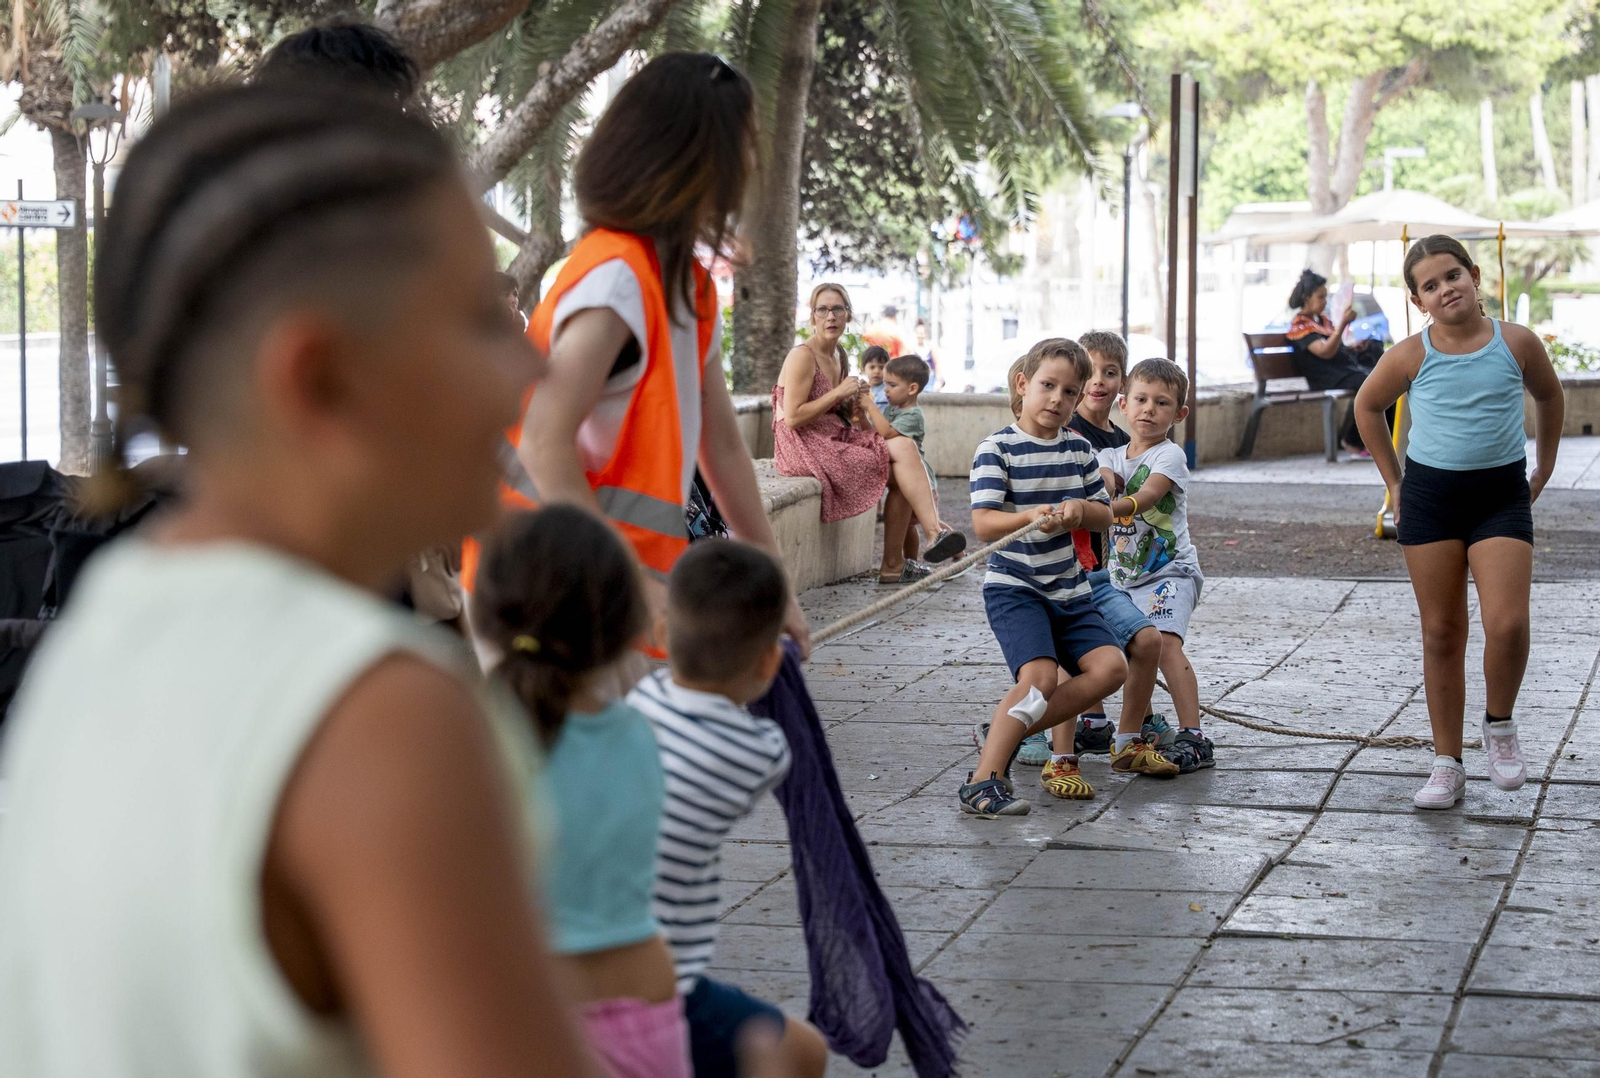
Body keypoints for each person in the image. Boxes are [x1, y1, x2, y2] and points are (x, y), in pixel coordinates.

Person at [0, 83, 600, 1078]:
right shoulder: (382, 712)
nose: (527, 368)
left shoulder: (106, 625)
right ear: (318, 378)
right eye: (475, 321)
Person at [478, 52, 809, 662]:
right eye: (744, 142)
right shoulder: (617, 278)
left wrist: (775, 582)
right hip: (553, 599)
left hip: (612, 597)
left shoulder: (686, 284)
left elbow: (723, 445)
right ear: (697, 156)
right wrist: (632, 590)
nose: (753, 162)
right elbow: (543, 443)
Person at [472, 507, 689, 1078]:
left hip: (522, 1013)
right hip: (647, 1004)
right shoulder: (642, 734)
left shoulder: (470, 743)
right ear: (623, 624)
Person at [1353, 235, 1564, 810]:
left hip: (1500, 496)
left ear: (1474, 275)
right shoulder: (1409, 355)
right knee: (1442, 631)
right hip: (1430, 498)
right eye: (1430, 285)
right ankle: (1447, 762)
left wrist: (1543, 467)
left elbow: (1549, 396)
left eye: (1452, 276)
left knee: (1508, 623)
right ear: (1418, 300)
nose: (1445, 289)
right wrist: (1394, 484)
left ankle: (1500, 727)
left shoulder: (1516, 343)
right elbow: (1366, 407)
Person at [627, 540, 830, 1078]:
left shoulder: (637, 703)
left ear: (664, 634)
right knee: (803, 1053)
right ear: (769, 660)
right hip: (664, 984)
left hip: (597, 959)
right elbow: (766, 732)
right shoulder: (761, 752)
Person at [963, 339, 1127, 815]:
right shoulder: (997, 449)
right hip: (1016, 589)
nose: (1057, 399)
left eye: (1069, 392)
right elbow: (984, 523)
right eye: (1048, 386)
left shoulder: (1079, 450)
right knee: (1038, 678)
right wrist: (1028, 516)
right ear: (1023, 384)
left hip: (1070, 591)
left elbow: (1105, 515)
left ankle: (1005, 731)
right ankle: (983, 781)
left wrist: (1080, 511)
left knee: (1111, 668)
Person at [774, 283, 965, 585]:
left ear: (848, 315)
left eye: (837, 309)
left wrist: (855, 405)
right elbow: (794, 417)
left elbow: (840, 412)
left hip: (833, 436)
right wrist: (838, 391)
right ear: (813, 317)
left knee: (903, 450)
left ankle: (921, 544)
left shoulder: (839, 354)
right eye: (822, 310)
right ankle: (920, 543)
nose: (830, 316)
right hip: (803, 445)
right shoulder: (802, 356)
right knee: (901, 460)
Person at [1098, 359, 1213, 773]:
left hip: (1170, 572)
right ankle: (1138, 729)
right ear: (1123, 404)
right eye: (1141, 400)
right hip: (1125, 577)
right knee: (1135, 650)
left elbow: (1148, 494)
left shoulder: (1170, 455)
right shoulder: (1108, 454)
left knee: (1165, 645)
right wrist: (1103, 486)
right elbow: (1107, 476)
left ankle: (1194, 735)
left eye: (1162, 403)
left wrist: (1109, 508)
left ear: (1178, 414)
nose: (1149, 409)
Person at [1285, 269, 1385, 455]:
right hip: (1325, 377)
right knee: (1371, 384)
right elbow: (1324, 352)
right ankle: (1352, 440)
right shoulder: (1300, 325)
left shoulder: (1323, 321)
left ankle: (1385, 439)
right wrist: (1342, 325)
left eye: (1325, 296)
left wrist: (1354, 346)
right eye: (1320, 297)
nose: (1325, 302)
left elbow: (1336, 346)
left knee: (1384, 378)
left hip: (1340, 372)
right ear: (1307, 299)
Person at [881, 353, 941, 565]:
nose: (885, 389)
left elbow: (885, 433)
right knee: (908, 525)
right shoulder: (891, 410)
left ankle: (957, 553)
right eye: (884, 384)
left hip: (921, 484)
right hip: (908, 479)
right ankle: (909, 563)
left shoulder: (913, 415)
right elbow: (876, 433)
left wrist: (869, 407)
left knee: (927, 523)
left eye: (891, 385)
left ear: (912, 388)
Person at [860, 344, 891, 411]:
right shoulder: (861, 391)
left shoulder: (889, 391)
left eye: (881, 367)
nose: (876, 371)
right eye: (872, 367)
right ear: (863, 369)